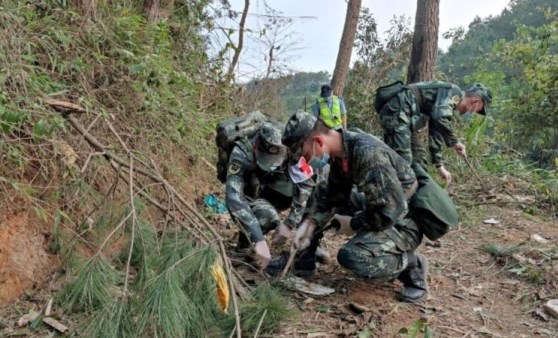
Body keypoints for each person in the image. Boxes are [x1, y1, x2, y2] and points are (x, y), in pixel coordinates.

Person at [280, 112, 429, 303]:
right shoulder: (341, 152)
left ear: (318, 141)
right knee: (320, 193)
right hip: (380, 203)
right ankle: (304, 261)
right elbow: (333, 196)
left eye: (304, 154)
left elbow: (389, 212)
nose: (306, 160)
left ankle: (412, 265)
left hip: (407, 218)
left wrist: (353, 223)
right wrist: (309, 225)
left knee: (353, 257)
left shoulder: (368, 154)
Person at [225, 122, 314, 269]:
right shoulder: (241, 152)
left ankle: (308, 249)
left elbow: (306, 185)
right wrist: (258, 239)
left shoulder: (292, 149)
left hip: (272, 189)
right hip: (250, 193)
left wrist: (290, 223)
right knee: (266, 215)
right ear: (257, 146)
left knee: (317, 192)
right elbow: (234, 197)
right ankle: (245, 245)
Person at [377, 81, 492, 186]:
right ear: (475, 102)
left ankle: (418, 196)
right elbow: (439, 117)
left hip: (403, 117)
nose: (473, 112)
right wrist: (454, 142)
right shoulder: (453, 92)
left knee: (419, 157)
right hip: (397, 112)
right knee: (403, 162)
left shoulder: (446, 105)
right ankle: (390, 199)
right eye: (477, 110)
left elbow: (435, 131)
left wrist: (439, 166)